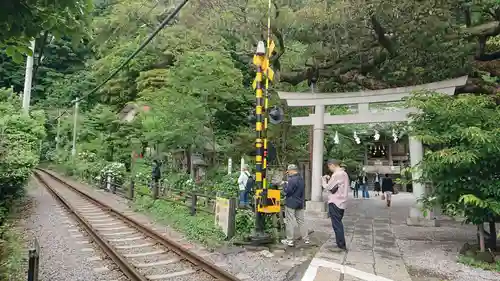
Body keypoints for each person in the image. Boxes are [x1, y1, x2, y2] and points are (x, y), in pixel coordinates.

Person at [322, 159, 349, 251]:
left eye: (329, 167)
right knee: (338, 222)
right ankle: (340, 243)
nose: (329, 169)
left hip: (335, 201)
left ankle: (341, 245)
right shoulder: (344, 174)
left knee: (337, 224)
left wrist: (323, 180)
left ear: (332, 165)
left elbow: (328, 187)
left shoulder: (337, 174)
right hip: (342, 201)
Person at [280, 164, 309, 247]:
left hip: (291, 203)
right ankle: (306, 239)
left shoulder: (292, 179)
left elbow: (288, 191)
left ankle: (289, 240)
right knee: (301, 221)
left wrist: (284, 185)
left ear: (292, 171)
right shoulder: (301, 179)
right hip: (300, 203)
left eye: (288, 172)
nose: (288, 173)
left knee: (289, 221)